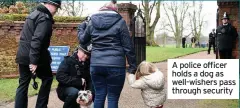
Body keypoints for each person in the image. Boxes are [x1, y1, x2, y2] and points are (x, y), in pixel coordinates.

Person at [77, 1, 137, 108]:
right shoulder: (120, 22)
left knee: (99, 96)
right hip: (116, 66)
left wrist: (81, 28)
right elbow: (128, 47)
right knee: (113, 98)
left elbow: (82, 40)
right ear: (115, 10)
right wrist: (132, 67)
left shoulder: (92, 22)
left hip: (96, 65)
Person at [14, 0, 61, 108]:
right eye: (57, 8)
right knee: (48, 78)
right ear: (51, 5)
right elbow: (37, 40)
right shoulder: (45, 18)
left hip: (23, 55)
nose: (56, 11)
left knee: (23, 84)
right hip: (35, 56)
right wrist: (33, 61)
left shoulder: (33, 14)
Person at [56, 43, 93, 108]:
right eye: (84, 53)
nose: (86, 56)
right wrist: (78, 81)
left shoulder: (88, 63)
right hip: (65, 89)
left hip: (81, 91)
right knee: (74, 93)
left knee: (94, 93)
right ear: (79, 50)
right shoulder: (68, 61)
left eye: (88, 54)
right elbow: (59, 76)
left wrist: (91, 92)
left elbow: (90, 80)